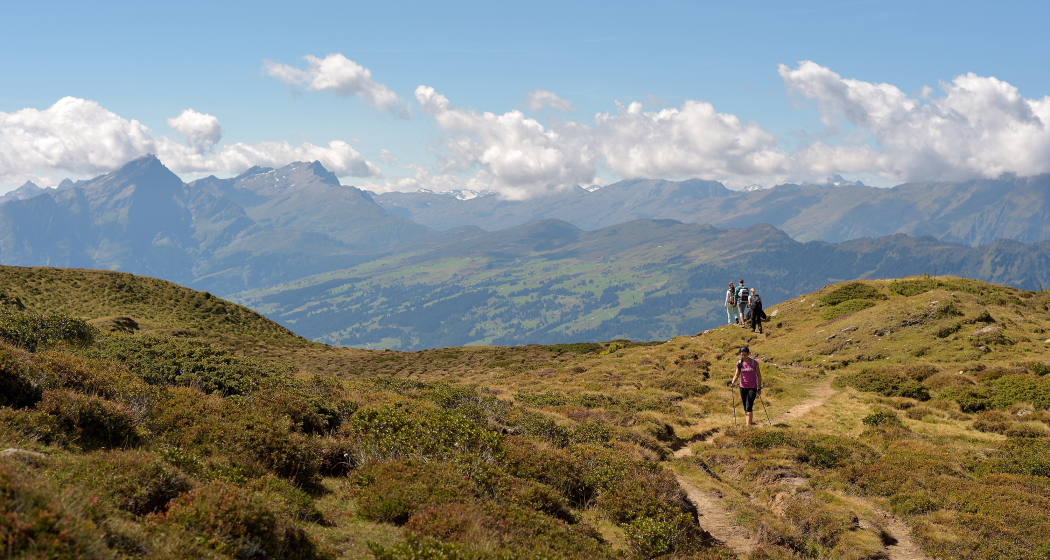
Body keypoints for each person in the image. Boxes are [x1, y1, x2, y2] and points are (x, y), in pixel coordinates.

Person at [728, 345, 762, 426]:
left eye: (745, 355)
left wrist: (759, 387)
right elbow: (736, 375)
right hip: (742, 387)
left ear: (748, 354)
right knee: (745, 407)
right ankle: (750, 422)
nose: (743, 356)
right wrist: (732, 382)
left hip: (752, 387)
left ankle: (748, 426)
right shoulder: (739, 363)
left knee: (748, 406)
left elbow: (759, 375)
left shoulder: (754, 362)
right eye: (742, 354)